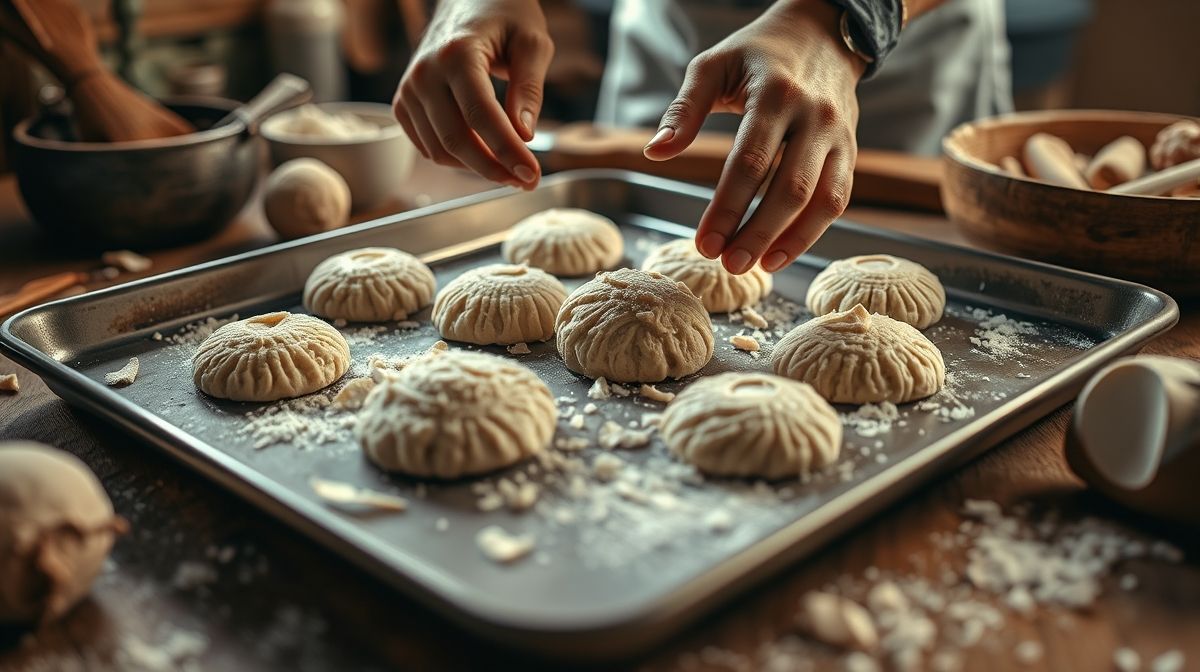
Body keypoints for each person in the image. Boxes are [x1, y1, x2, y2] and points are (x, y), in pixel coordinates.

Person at [392, 0, 1011, 275]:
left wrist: (843, 22)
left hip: (897, 40)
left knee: (883, 230)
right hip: (673, 21)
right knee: (652, 180)